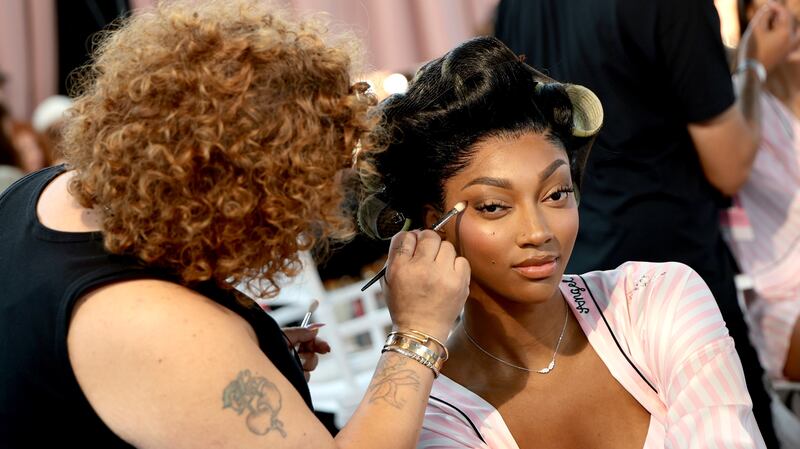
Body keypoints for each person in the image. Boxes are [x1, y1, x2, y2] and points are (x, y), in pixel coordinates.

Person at [0, 1, 470, 448]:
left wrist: (247, 354)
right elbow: (161, 349)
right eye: (306, 198)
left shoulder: (46, 191)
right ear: (240, 196)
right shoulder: (163, 329)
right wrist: (417, 332)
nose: (309, 220)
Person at [356, 36, 765, 448]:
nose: (538, 232)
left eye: (556, 194)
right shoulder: (433, 422)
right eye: (494, 206)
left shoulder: (657, 301)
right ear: (435, 225)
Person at [493, 1, 798, 443]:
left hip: (574, 285)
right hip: (676, 283)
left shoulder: (515, 7)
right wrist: (753, 65)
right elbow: (729, 165)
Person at [722, 0, 800, 383]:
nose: (783, 14)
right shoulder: (738, 103)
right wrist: (753, 65)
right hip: (775, 299)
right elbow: (729, 166)